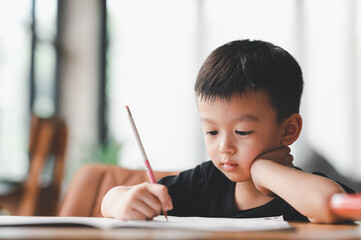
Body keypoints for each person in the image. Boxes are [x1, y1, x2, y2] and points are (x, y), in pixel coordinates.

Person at [101, 39, 354, 223]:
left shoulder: (304, 191)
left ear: (288, 130)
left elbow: (328, 204)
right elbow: (110, 200)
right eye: (212, 132)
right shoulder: (206, 182)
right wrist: (121, 202)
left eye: (242, 132)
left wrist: (262, 171)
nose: (224, 147)